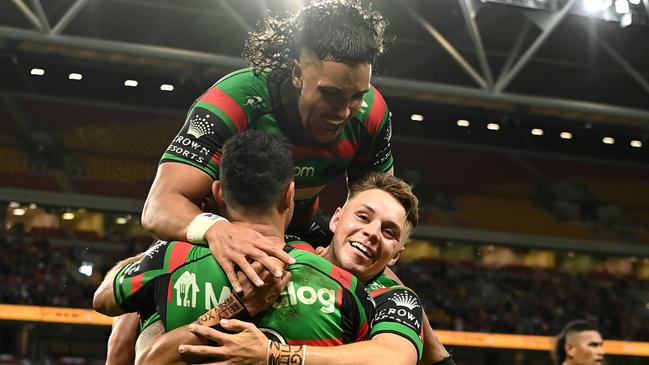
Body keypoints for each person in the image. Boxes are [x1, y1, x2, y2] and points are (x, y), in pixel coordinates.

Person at [141, 0, 393, 291]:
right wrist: (218, 230)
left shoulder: (372, 114)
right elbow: (159, 206)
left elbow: (384, 209)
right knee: (129, 332)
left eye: (356, 96)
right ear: (297, 73)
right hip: (218, 228)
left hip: (300, 230)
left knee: (401, 298)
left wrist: (338, 249)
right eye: (331, 94)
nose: (344, 112)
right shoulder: (233, 101)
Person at [93, 131, 375, 364]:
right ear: (289, 194)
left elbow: (102, 300)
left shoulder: (171, 258)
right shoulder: (343, 284)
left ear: (218, 192)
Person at [143, 173, 454, 365]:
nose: (372, 232)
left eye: (388, 232)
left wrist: (271, 356)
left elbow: (391, 357)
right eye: (363, 217)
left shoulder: (395, 299)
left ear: (396, 255)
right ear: (336, 219)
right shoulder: (286, 248)